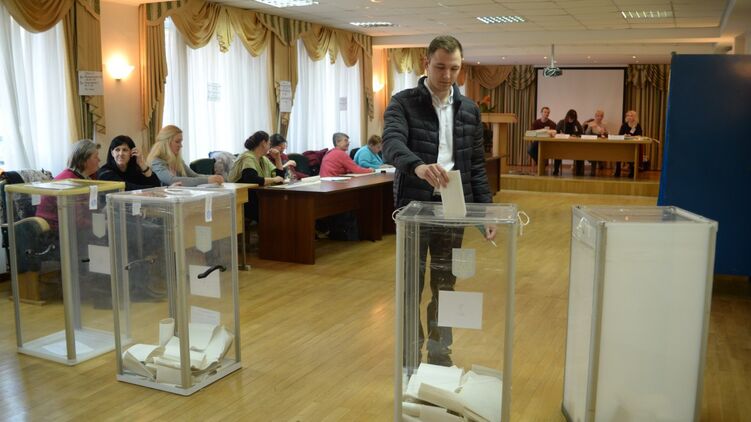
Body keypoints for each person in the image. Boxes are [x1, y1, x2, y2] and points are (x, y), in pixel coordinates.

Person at [382, 35, 495, 367]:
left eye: (454, 68)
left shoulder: (470, 109)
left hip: (453, 209)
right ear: (426, 64)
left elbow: (476, 166)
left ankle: (440, 354)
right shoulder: (403, 103)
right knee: (410, 288)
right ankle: (410, 358)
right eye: (440, 67)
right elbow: (391, 144)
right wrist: (417, 166)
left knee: (446, 286)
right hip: (415, 208)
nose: (447, 76)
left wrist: (485, 211)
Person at [35, 139, 101, 230]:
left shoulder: (84, 177)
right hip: (54, 231)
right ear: (84, 160)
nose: (99, 160)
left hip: (69, 229)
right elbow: (77, 222)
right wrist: (101, 224)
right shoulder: (69, 182)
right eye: (96, 157)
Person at [228, 130, 284, 222]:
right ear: (263, 143)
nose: (270, 146)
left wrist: (278, 157)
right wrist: (274, 179)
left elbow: (280, 178)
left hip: (256, 196)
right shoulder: (247, 157)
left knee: (282, 205)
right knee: (277, 209)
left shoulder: (263, 159)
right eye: (269, 144)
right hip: (243, 199)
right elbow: (251, 179)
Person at [146, 125, 224, 187]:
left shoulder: (177, 160)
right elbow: (172, 180)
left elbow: (194, 176)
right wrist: (207, 180)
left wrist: (214, 177)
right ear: (166, 143)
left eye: (181, 142)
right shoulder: (156, 161)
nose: (181, 145)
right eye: (177, 141)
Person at [97, 135, 161, 191]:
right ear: (112, 153)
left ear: (132, 153)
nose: (121, 154)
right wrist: (151, 189)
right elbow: (125, 188)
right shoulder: (105, 172)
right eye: (117, 150)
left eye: (125, 150)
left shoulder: (134, 170)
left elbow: (157, 185)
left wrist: (142, 164)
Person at [615, 110, 643, 178]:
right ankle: (617, 171)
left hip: (633, 146)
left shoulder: (637, 125)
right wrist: (624, 135)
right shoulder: (624, 125)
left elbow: (640, 135)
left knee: (632, 156)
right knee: (618, 154)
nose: (629, 117)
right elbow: (619, 135)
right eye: (628, 116)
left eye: (631, 116)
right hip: (624, 145)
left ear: (635, 117)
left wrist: (632, 137)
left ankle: (632, 172)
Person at [556, 109, 584, 176]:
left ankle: (578, 172)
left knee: (580, 153)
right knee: (557, 153)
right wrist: (560, 134)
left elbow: (581, 133)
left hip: (574, 145)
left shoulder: (576, 123)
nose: (571, 120)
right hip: (563, 145)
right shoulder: (562, 122)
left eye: (573, 119)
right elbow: (556, 132)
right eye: (570, 118)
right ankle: (556, 170)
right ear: (567, 116)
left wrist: (576, 135)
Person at [584, 110, 608, 176]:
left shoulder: (604, 124)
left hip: (601, 144)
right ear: (595, 116)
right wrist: (590, 127)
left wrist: (604, 132)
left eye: (601, 116)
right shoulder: (591, 123)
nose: (599, 117)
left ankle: (600, 162)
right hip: (592, 144)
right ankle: (593, 170)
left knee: (600, 151)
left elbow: (607, 135)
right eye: (598, 116)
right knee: (594, 153)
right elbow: (586, 134)